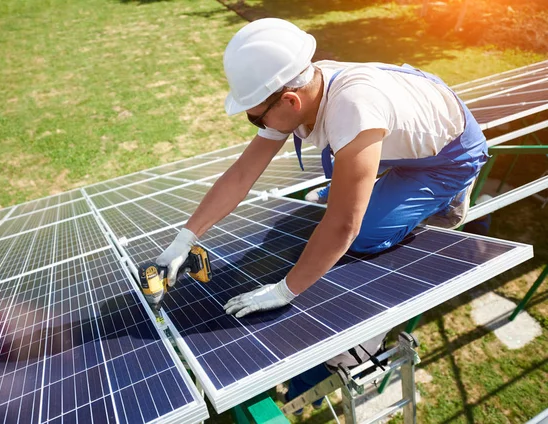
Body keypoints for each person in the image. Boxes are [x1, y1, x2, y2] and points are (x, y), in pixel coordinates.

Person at [155, 17, 487, 410]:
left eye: (255, 116)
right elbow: (243, 173)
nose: (256, 124)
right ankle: (360, 181)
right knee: (340, 196)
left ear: (290, 100)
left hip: (446, 156)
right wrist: (185, 238)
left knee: (362, 232)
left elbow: (343, 226)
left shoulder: (352, 109)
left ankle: (447, 195)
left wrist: (285, 290)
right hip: (407, 118)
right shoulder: (302, 89)